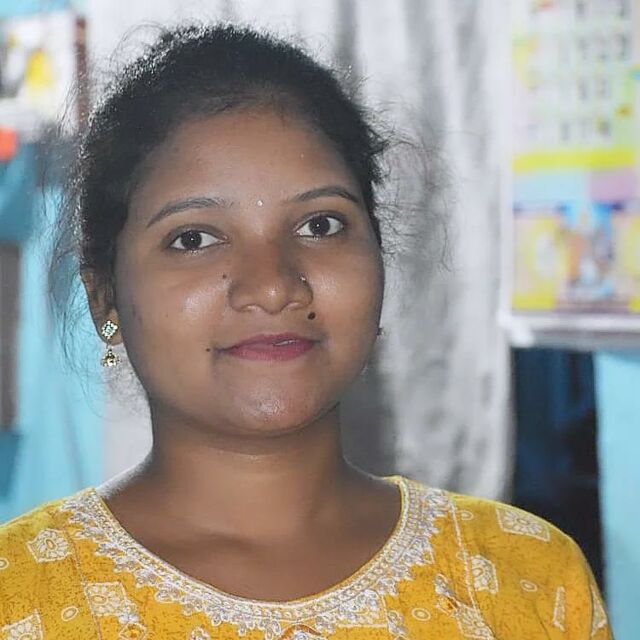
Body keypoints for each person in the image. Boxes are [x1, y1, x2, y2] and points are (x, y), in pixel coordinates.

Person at [0, 24, 611, 640]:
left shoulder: (528, 578)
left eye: (321, 225)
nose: (272, 286)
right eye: (194, 238)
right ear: (104, 295)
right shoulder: (19, 595)